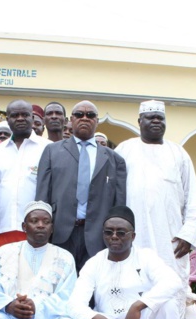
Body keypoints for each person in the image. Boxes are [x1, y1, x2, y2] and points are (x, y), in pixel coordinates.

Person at [115, 100, 196, 319]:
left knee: (171, 297)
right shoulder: (125, 150)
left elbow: (193, 200)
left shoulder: (179, 154)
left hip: (170, 243)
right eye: (150, 117)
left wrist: (188, 236)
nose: (156, 121)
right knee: (132, 293)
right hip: (133, 241)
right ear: (139, 121)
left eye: (160, 118)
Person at [35, 100, 127, 271]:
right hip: (60, 233)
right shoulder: (51, 151)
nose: (85, 118)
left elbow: (119, 204)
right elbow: (42, 196)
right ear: (71, 119)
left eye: (90, 115)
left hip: (98, 236)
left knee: (92, 285)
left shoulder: (114, 159)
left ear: (97, 121)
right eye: (79, 114)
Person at [0, 99, 51, 249]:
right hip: (3, 227)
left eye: (25, 115)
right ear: (7, 119)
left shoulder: (48, 148)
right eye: (15, 115)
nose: (20, 118)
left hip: (37, 230)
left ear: (32, 117)